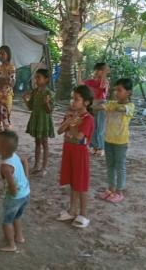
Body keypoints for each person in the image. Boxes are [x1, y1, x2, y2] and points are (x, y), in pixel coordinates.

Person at [57, 85, 94, 228]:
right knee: (73, 182)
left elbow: (79, 137)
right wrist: (68, 120)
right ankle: (72, 210)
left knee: (81, 184)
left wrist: (72, 124)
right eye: (73, 99)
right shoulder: (71, 116)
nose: (73, 102)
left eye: (77, 99)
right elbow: (60, 131)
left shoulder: (88, 119)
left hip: (80, 153)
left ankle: (83, 213)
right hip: (68, 151)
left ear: (86, 102)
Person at [98, 78, 135, 203]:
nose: (116, 93)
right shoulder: (112, 103)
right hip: (108, 140)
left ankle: (119, 191)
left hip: (121, 142)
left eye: (119, 90)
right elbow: (98, 107)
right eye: (115, 90)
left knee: (120, 166)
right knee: (110, 166)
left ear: (128, 92)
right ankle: (111, 189)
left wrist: (110, 107)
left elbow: (121, 109)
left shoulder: (130, 106)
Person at [0, 130, 30, 253]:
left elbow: (12, 185)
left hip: (14, 197)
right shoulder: (14, 155)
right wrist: (25, 178)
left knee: (7, 221)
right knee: (17, 217)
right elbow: (25, 160)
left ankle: (11, 245)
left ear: (2, 148)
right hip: (26, 193)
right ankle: (19, 237)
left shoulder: (5, 167)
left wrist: (12, 193)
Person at [23, 69, 55, 176]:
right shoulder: (35, 91)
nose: (36, 80)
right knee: (37, 142)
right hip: (36, 119)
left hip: (44, 121)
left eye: (38, 77)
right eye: (35, 77)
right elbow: (30, 107)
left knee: (44, 143)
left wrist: (46, 103)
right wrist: (25, 99)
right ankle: (37, 165)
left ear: (46, 80)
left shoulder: (49, 93)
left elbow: (50, 110)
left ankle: (44, 168)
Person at [84, 62, 110, 157]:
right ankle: (94, 147)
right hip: (92, 105)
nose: (97, 72)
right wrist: (79, 71)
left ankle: (101, 148)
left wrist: (104, 75)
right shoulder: (91, 81)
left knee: (100, 128)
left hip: (101, 105)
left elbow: (102, 86)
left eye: (101, 70)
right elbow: (81, 84)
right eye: (97, 70)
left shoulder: (105, 81)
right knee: (93, 127)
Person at [0, 45, 16, 132]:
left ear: (8, 55)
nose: (0, 56)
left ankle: (7, 140)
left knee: (5, 118)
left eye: (2, 54)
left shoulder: (11, 67)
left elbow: (12, 83)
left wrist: (2, 80)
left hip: (6, 97)